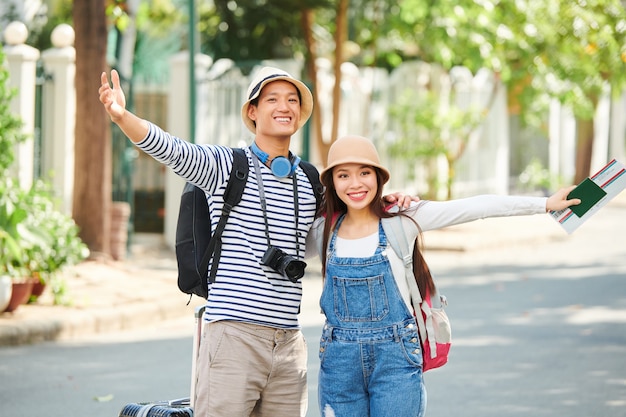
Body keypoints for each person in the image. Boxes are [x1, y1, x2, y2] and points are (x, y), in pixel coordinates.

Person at [99, 67, 413, 417]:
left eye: (293, 100)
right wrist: (122, 116)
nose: (285, 107)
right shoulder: (225, 165)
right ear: (253, 111)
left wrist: (388, 201)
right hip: (234, 335)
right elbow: (172, 149)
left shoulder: (311, 180)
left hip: (289, 341)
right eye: (273, 99)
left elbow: (350, 214)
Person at [309, 135, 581, 417]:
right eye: (344, 175)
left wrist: (545, 203)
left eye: (365, 173)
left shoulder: (404, 217)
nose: (355, 184)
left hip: (396, 360)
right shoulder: (322, 229)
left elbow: (477, 207)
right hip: (339, 363)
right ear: (332, 183)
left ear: (378, 178)